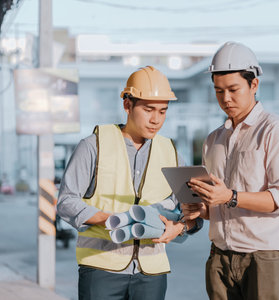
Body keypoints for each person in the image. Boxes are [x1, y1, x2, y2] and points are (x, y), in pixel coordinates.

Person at [57, 66, 201, 300]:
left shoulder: (171, 152)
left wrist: (180, 228)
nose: (156, 119)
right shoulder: (94, 145)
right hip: (101, 269)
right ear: (127, 105)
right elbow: (66, 201)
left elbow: (192, 211)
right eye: (148, 109)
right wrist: (111, 220)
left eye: (163, 111)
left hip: (151, 273)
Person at [183, 41, 279, 300]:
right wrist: (200, 209)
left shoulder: (276, 131)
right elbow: (219, 204)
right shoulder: (213, 139)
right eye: (218, 91)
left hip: (264, 257)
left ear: (254, 85)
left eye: (233, 89)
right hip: (219, 258)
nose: (225, 98)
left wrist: (230, 197)